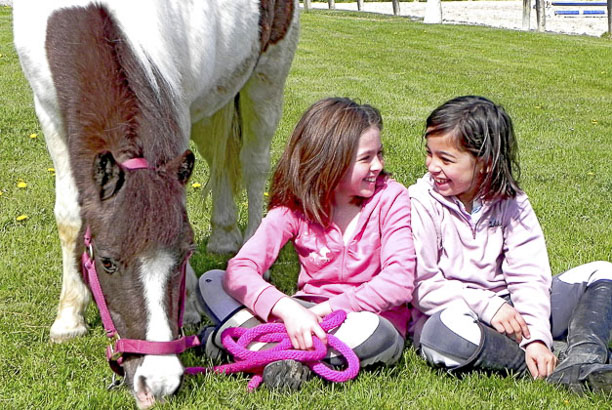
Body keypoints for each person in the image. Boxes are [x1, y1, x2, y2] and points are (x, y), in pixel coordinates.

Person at [196, 97, 416, 391]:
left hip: (359, 320)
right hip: (300, 313)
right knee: (212, 280)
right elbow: (240, 269)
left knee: (381, 335)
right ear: (330, 160)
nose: (378, 165)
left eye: (380, 154)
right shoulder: (294, 208)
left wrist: (322, 312)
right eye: (366, 158)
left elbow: (399, 281)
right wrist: (289, 310)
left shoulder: (391, 198)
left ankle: (246, 346)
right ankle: (294, 355)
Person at [408, 95, 612, 394]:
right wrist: (488, 306)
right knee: (443, 336)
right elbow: (420, 285)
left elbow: (529, 276)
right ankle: (565, 368)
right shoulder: (421, 202)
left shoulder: (512, 202)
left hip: (516, 313)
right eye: (430, 154)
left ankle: (581, 359)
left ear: (485, 164)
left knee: (602, 272)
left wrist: (538, 337)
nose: (432, 166)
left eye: (446, 159)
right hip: (458, 313)